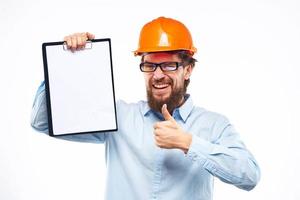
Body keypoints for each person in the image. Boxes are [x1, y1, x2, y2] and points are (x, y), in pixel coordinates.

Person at [31, 16, 260, 200]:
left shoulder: (214, 125)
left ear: (188, 70)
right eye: (150, 65)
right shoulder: (117, 116)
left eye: (169, 65)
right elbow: (42, 122)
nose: (158, 75)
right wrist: (65, 63)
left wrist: (189, 143)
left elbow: (249, 176)